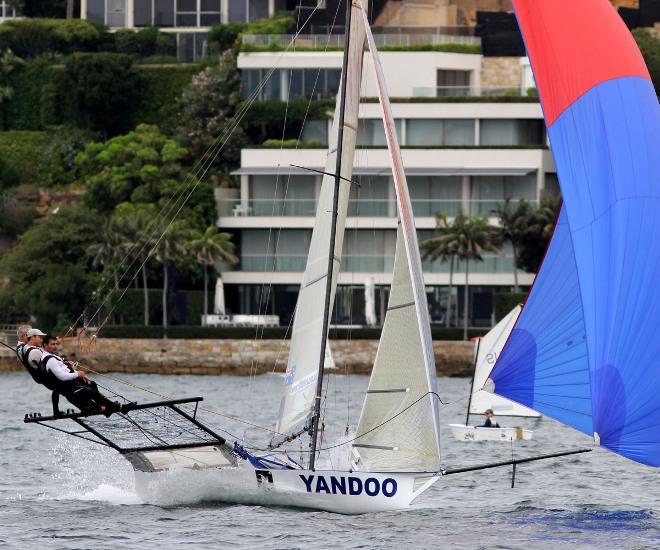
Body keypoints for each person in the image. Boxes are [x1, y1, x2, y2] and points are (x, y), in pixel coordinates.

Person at [40, 335, 129, 417]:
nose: (55, 346)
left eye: (56, 344)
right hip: (69, 389)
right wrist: (78, 374)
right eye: (52, 344)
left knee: (92, 384)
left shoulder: (53, 355)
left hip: (73, 384)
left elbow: (65, 369)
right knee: (92, 392)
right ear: (45, 345)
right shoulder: (50, 360)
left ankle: (105, 408)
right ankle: (118, 407)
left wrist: (78, 374)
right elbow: (62, 376)